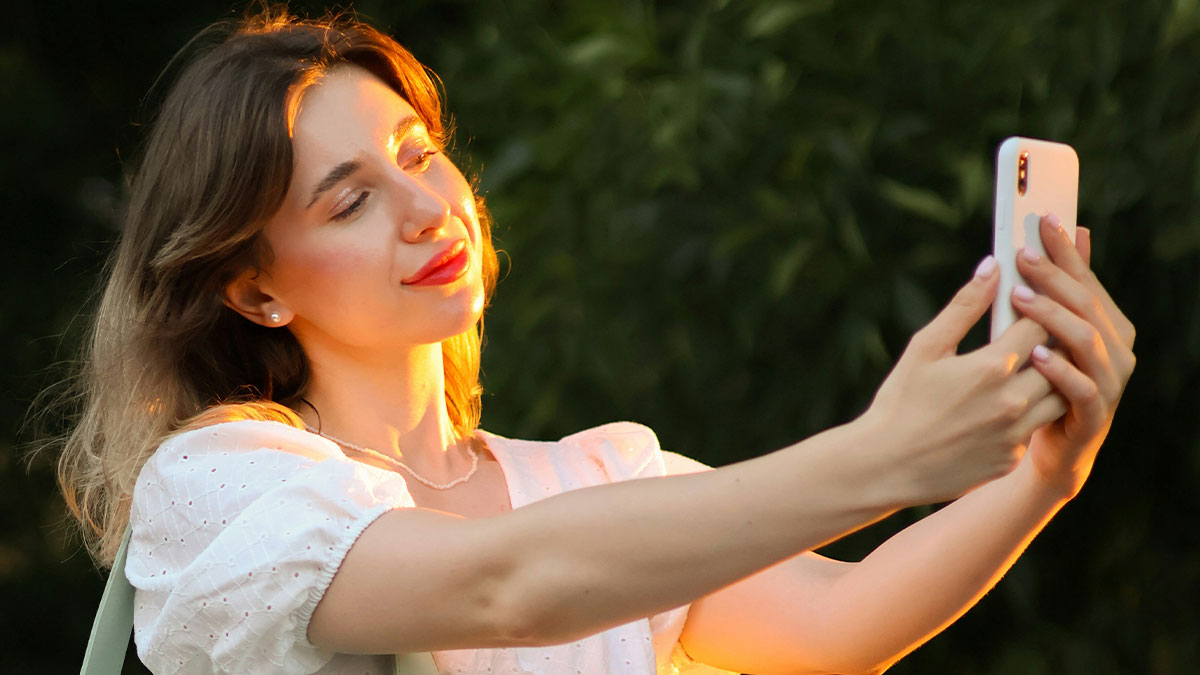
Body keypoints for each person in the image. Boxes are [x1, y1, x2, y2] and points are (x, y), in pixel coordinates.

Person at [39, 8, 1136, 675]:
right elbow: (507, 587)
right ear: (254, 289)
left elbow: (842, 622)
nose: (425, 208)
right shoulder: (224, 489)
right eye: (350, 200)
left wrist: (1048, 472)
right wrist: (885, 456)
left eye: (418, 154)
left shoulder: (603, 478)